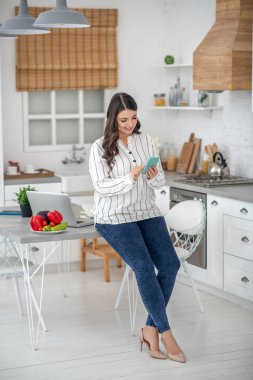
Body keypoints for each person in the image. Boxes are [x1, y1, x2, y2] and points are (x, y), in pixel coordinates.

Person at [89, 92, 185, 363]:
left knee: (170, 265)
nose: (129, 124)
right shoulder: (99, 147)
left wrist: (153, 177)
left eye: (133, 118)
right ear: (113, 118)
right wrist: (130, 178)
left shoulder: (146, 141)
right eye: (123, 119)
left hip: (146, 210)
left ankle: (149, 328)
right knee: (143, 267)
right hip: (114, 216)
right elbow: (101, 187)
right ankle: (166, 333)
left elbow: (159, 182)